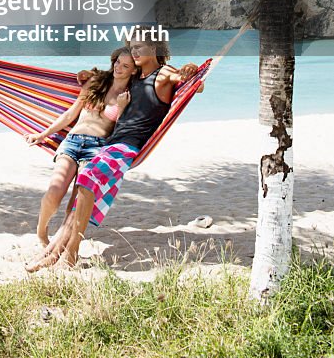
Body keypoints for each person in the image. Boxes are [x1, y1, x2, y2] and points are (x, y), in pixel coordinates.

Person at [26, 25, 204, 269]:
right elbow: (107, 79)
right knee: (78, 192)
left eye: (140, 47)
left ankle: (69, 251)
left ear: (154, 48)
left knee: (86, 181)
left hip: (125, 146)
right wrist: (87, 75)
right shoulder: (134, 79)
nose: (135, 52)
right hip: (108, 144)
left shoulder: (161, 74)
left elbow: (187, 80)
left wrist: (190, 72)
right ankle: (57, 250)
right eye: (132, 48)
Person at [24, 47, 137, 244]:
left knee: (76, 204)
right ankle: (42, 232)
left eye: (125, 65)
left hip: (97, 148)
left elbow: (120, 131)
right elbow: (70, 114)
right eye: (117, 62)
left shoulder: (129, 96)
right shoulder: (96, 82)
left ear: (134, 71)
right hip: (73, 142)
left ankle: (61, 242)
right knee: (55, 191)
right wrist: (42, 135)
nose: (118, 67)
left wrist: (122, 108)